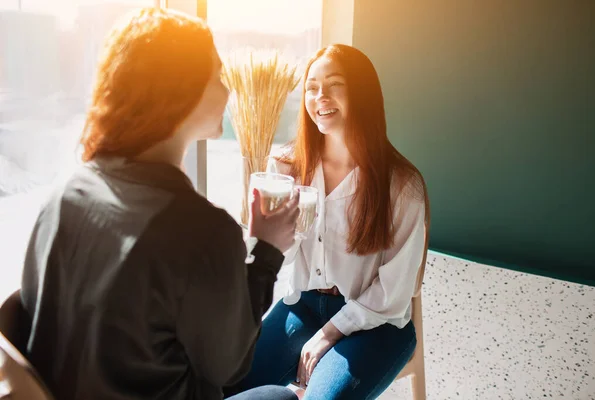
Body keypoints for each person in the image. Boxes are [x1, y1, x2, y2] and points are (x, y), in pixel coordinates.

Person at [19, 7, 300, 400]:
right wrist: (266, 250)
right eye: (217, 75)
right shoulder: (201, 229)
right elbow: (230, 365)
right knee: (281, 397)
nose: (229, 89)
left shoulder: (68, 190)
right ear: (179, 91)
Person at [225, 44, 430, 400]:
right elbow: (279, 259)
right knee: (223, 384)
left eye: (335, 84)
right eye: (312, 86)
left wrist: (330, 332)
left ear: (362, 94)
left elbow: (394, 295)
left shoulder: (401, 185)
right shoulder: (287, 169)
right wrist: (268, 233)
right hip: (303, 307)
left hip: (377, 324)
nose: (321, 96)